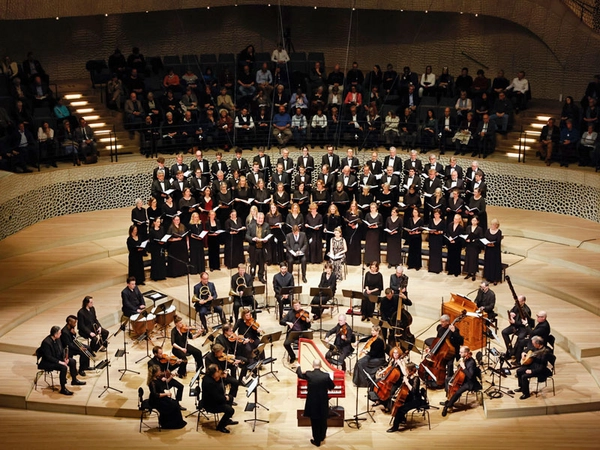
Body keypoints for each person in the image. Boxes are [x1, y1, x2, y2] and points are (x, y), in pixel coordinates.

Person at [296, 359, 335, 447]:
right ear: (321, 366)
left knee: (315, 421)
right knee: (323, 419)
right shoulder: (326, 375)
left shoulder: (309, 374)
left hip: (312, 401)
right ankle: (322, 436)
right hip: (323, 401)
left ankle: (317, 441)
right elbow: (332, 386)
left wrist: (298, 366)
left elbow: (299, 374)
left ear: (313, 366)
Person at [37, 326, 86, 396]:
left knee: (72, 361)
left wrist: (65, 358)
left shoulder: (58, 339)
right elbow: (48, 357)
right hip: (48, 362)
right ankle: (63, 388)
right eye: (60, 333)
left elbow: (62, 349)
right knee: (63, 367)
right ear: (55, 334)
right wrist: (60, 362)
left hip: (58, 358)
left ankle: (74, 380)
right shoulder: (46, 343)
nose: (61, 334)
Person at [441, 346, 482, 416]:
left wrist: (463, 367)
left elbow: (470, 376)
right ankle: (449, 398)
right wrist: (458, 366)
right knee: (447, 380)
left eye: (461, 352)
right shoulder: (464, 358)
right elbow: (458, 366)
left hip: (469, 382)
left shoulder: (471, 363)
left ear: (466, 353)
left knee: (457, 392)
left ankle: (447, 406)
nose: (459, 353)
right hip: (462, 378)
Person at [147, 365, 187, 429]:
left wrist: (170, 377)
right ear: (155, 373)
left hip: (161, 398)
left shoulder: (157, 378)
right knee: (173, 406)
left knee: (176, 403)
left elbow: (164, 385)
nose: (160, 371)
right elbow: (155, 395)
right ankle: (168, 424)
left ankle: (176, 423)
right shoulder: (152, 383)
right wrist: (166, 394)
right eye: (159, 371)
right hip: (156, 400)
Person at [202, 364, 237, 433]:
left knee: (231, 398)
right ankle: (220, 427)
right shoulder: (209, 383)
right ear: (213, 373)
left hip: (215, 399)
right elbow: (216, 397)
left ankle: (226, 420)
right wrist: (225, 398)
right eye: (218, 371)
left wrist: (222, 378)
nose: (220, 372)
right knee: (230, 410)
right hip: (211, 404)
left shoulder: (211, 378)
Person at [387, 362, 421, 432]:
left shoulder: (416, 379)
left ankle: (395, 427)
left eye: (406, 370)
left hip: (415, 400)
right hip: (409, 397)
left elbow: (414, 391)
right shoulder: (408, 376)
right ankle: (402, 419)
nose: (405, 371)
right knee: (394, 401)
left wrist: (407, 382)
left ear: (411, 370)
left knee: (400, 409)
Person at [280, 299, 311, 365]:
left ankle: (303, 357)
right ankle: (292, 356)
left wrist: (307, 322)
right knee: (286, 344)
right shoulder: (290, 313)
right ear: (293, 306)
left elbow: (308, 326)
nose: (296, 307)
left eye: (297, 305)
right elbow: (281, 321)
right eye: (295, 306)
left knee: (303, 344)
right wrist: (287, 323)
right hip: (292, 334)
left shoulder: (305, 313)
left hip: (302, 333)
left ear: (300, 305)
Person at [245, 212, 271, 284]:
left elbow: (269, 234)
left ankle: (261, 276)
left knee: (261, 263)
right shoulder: (251, 226)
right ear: (256, 218)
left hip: (262, 248)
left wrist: (266, 239)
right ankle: (252, 276)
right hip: (253, 248)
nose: (260, 220)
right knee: (253, 263)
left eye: (262, 218)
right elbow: (247, 236)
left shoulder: (266, 226)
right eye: (259, 218)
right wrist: (252, 239)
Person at [483, 218, 503, 284]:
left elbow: (498, 241)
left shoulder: (499, 232)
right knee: (488, 263)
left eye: (494, 225)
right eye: (491, 224)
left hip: (495, 251)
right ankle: (488, 277)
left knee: (494, 264)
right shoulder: (488, 231)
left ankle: (495, 278)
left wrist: (493, 244)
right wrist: (487, 244)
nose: (492, 226)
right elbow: (485, 238)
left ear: (497, 225)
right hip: (488, 250)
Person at [428, 209, 446, 274]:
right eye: (435, 214)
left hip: (438, 239)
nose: (436, 215)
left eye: (437, 214)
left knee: (437, 254)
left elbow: (444, 231)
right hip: (432, 238)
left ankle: (437, 269)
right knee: (432, 253)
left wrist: (439, 232)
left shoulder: (442, 222)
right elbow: (429, 228)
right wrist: (430, 231)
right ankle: (431, 268)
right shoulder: (431, 221)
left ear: (440, 215)